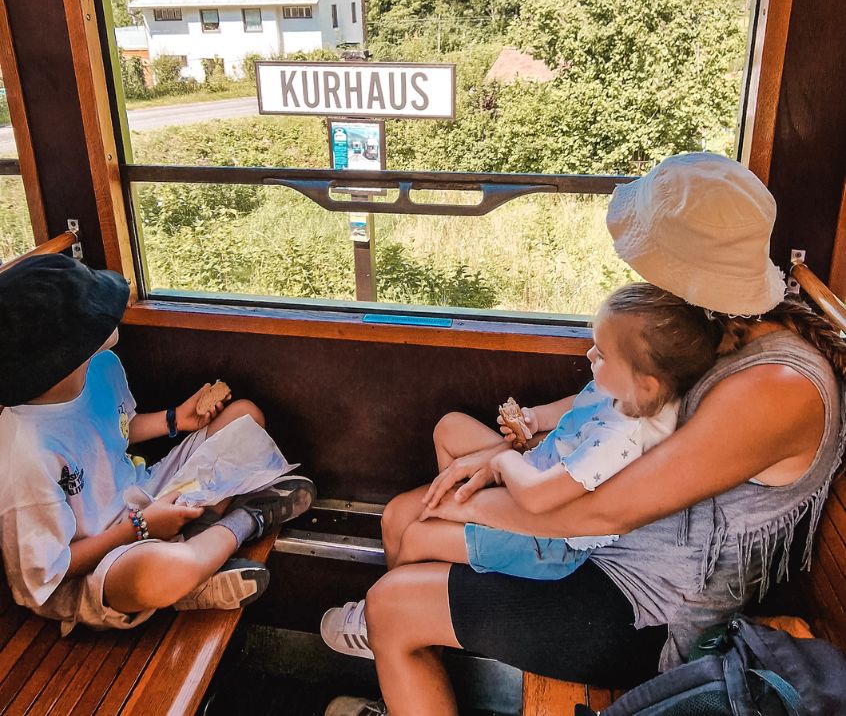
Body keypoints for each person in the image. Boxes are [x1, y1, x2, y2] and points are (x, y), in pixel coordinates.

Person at [322, 152, 846, 716]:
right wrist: (508, 450)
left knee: (391, 605)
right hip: (606, 546)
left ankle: (404, 657)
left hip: (646, 606)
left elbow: (600, 515)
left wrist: (474, 495)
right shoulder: (721, 326)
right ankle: (415, 688)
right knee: (406, 517)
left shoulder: (775, 386)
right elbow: (617, 403)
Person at [321, 283, 720, 659]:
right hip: (539, 468)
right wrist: (534, 418)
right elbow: (578, 404)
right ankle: (459, 553)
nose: (589, 357)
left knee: (417, 536)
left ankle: (402, 623)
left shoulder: (623, 440)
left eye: (601, 353)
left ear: (646, 386)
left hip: (548, 536)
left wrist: (501, 460)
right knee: (450, 427)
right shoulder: (626, 390)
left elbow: (537, 497)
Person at [0, 254, 316, 634]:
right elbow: (48, 571)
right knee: (162, 570)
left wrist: (174, 420)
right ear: (62, 354)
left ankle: (197, 559)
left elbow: (119, 427)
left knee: (244, 417)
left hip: (142, 492)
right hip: (92, 567)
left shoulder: (101, 366)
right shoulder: (24, 452)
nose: (112, 310)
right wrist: (139, 528)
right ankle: (245, 521)